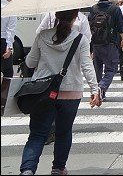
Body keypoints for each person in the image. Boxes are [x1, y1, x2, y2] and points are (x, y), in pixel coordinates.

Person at [19, 9, 102, 176]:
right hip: (71, 92)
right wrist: (95, 89)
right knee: (64, 132)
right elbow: (87, 66)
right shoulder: (80, 38)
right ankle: (58, 168)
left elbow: (30, 61)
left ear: (56, 16)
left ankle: (27, 170)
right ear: (75, 17)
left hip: (43, 92)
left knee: (37, 134)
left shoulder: (42, 35)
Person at [88, 0, 123, 100]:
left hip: (95, 43)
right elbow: (120, 26)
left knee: (97, 69)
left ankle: (100, 94)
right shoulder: (115, 9)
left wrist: (90, 47)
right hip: (110, 43)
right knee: (111, 69)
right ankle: (102, 87)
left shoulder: (93, 9)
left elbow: (89, 26)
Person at [1, 0, 18, 116]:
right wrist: (9, 47)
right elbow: (10, 31)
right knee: (7, 72)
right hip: (3, 42)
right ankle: (2, 101)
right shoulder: (11, 9)